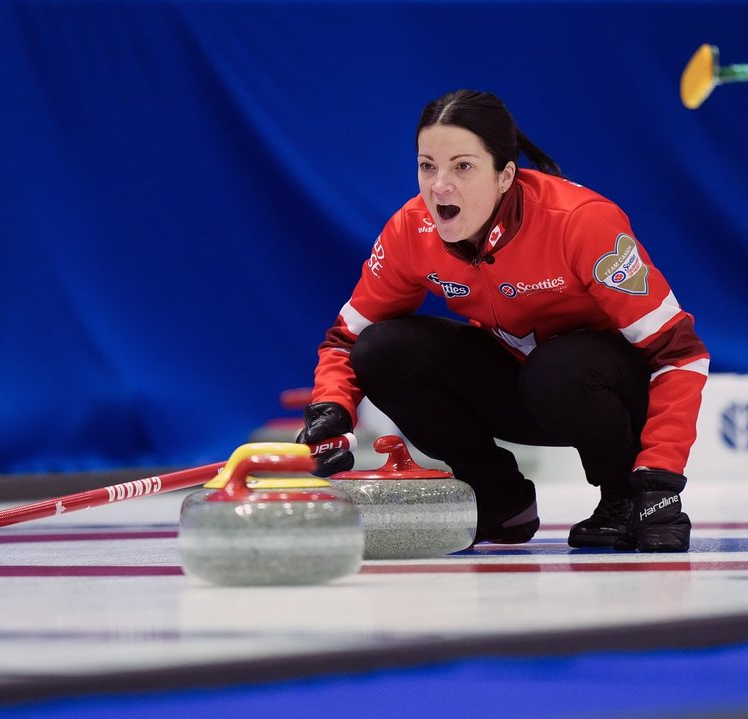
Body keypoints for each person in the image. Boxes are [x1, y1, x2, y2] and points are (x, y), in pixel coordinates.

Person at [298, 89, 709, 552]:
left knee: (559, 368)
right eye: (427, 165)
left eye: (463, 166)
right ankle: (500, 499)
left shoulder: (580, 221)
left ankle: (620, 496)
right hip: (528, 389)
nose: (439, 186)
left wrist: (659, 474)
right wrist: (332, 411)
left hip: (606, 392)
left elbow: (681, 354)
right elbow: (345, 341)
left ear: (505, 175)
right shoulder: (410, 231)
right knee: (382, 349)